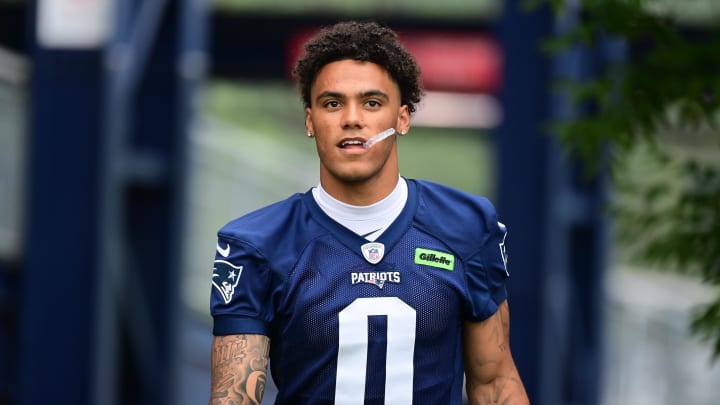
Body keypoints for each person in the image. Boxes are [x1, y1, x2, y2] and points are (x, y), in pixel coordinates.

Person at [208, 20, 529, 405]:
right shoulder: (258, 244)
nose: (352, 118)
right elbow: (235, 399)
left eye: (372, 103)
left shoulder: (465, 226)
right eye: (332, 103)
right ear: (311, 121)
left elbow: (494, 382)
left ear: (403, 119)